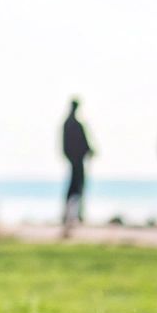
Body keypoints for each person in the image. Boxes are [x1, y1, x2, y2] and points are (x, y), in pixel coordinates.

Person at [60, 97, 91, 232]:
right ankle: (72, 215)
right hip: (76, 161)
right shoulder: (73, 124)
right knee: (76, 188)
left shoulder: (68, 123)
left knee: (75, 188)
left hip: (75, 160)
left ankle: (73, 215)